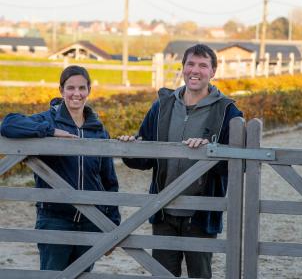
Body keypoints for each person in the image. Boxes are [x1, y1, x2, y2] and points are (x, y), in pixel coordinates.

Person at [118, 44, 243, 278]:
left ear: (213, 71)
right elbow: (145, 159)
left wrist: (211, 152)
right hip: (164, 212)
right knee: (162, 275)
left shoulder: (228, 112)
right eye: (190, 64)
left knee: (200, 275)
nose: (195, 70)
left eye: (203, 65)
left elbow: (240, 166)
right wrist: (129, 147)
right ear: (183, 68)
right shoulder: (162, 106)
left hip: (202, 215)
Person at [0, 65, 120, 271]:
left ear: (89, 90)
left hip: (92, 219)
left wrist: (112, 224)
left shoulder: (98, 130)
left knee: (82, 275)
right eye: (71, 88)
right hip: (55, 218)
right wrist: (51, 131)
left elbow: (109, 179)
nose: (76, 93)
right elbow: (8, 124)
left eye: (82, 88)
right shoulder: (48, 119)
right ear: (61, 90)